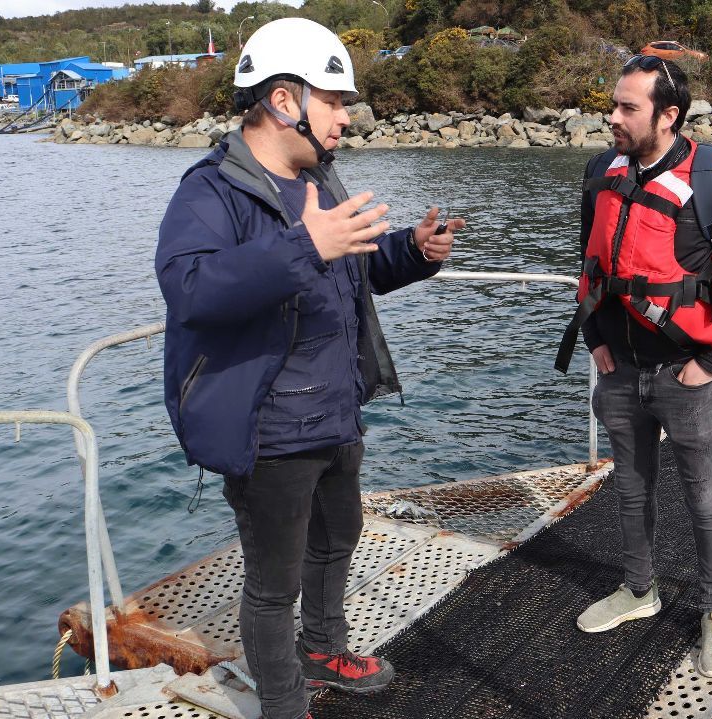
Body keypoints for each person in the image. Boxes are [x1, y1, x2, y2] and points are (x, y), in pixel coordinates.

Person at [154, 18, 464, 719]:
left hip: (336, 409)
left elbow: (353, 269)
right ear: (284, 100)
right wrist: (304, 246)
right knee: (272, 586)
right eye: (335, 99)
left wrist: (411, 251)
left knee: (339, 539)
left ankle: (325, 649)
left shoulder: (320, 178)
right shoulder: (213, 189)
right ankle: (286, 706)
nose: (347, 116)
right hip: (270, 430)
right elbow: (190, 288)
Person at [557, 56, 712, 677]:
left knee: (704, 496)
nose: (612, 117)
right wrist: (597, 342)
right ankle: (638, 589)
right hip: (619, 369)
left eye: (627, 107)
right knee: (630, 487)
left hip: (686, 372)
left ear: (668, 115)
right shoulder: (601, 171)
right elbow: (590, 264)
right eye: (614, 104)